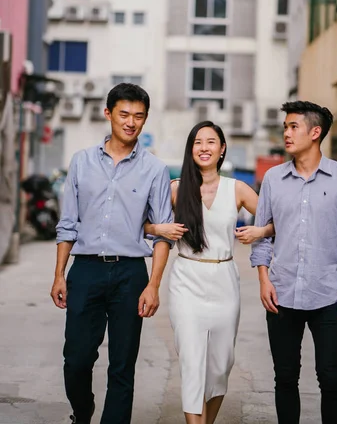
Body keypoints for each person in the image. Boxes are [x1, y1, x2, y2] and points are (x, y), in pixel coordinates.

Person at [50, 83, 173, 424]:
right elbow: (68, 224)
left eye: (139, 116)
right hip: (85, 271)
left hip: (130, 274)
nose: (131, 122)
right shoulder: (82, 162)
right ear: (108, 114)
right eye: (124, 114)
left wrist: (154, 285)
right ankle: (84, 408)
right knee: (75, 359)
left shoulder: (155, 170)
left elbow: (164, 233)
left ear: (145, 120)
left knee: (122, 365)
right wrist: (59, 274)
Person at [145, 121, 274, 424]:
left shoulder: (238, 189)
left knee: (220, 364)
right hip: (187, 281)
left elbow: (280, 221)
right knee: (192, 362)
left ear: (222, 149)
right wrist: (157, 228)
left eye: (211, 142)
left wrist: (260, 230)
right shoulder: (176, 189)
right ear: (191, 150)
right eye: (198, 142)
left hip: (224, 281)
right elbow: (142, 223)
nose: (204, 147)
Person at [250, 101, 337, 424]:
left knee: (331, 378)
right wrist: (264, 280)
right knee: (285, 377)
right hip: (282, 293)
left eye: (293, 127)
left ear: (315, 133)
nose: (286, 133)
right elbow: (263, 235)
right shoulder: (274, 179)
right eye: (285, 127)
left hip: (329, 294)